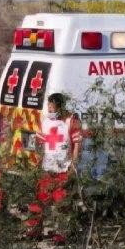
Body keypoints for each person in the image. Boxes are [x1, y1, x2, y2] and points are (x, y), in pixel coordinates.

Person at [25, 93, 82, 240]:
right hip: (47, 168)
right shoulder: (45, 121)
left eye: (52, 108)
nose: (50, 111)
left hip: (64, 168)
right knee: (39, 199)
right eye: (48, 108)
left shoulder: (71, 121)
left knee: (61, 202)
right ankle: (34, 230)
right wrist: (35, 160)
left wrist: (73, 164)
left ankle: (61, 234)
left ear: (60, 107)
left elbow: (77, 144)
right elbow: (38, 142)